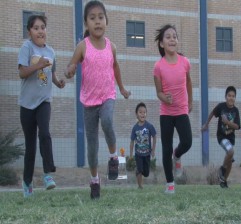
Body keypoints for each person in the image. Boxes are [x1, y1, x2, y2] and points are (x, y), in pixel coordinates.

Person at [65, 0, 130, 199]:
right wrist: (70, 71)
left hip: (108, 95)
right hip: (88, 101)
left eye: (101, 17)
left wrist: (122, 88)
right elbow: (71, 65)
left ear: (106, 21)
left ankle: (113, 157)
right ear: (86, 23)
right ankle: (94, 180)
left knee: (108, 121)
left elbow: (116, 68)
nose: (97, 22)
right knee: (91, 147)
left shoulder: (112, 47)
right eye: (92, 18)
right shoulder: (82, 46)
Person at [18, 15, 65, 197]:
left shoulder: (51, 52)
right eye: (36, 28)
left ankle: (47, 175)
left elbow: (51, 74)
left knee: (45, 134)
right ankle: (27, 182)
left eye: (43, 27)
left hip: (44, 102)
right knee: (30, 146)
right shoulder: (26, 47)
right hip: (27, 105)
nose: (40, 31)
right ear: (29, 31)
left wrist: (58, 83)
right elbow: (22, 72)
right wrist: (39, 65)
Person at [153, 24, 193, 194]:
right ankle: (170, 184)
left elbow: (189, 82)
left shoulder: (185, 62)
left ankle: (177, 155)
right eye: (168, 37)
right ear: (162, 43)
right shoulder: (158, 66)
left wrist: (190, 101)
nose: (172, 39)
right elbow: (159, 92)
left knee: (187, 141)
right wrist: (165, 98)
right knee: (166, 148)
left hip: (182, 110)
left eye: (174, 36)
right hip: (166, 113)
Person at [201, 86, 241, 188]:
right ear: (225, 97)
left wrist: (227, 122)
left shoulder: (236, 111)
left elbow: (237, 126)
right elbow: (212, 113)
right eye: (229, 96)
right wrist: (206, 125)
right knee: (231, 152)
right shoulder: (221, 107)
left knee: (230, 161)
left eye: (233, 96)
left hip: (231, 138)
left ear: (235, 98)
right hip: (222, 137)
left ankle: (223, 180)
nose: (231, 98)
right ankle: (222, 169)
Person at [129, 102, 157, 189]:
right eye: (140, 112)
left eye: (144, 112)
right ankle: (140, 185)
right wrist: (130, 154)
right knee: (140, 170)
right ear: (136, 114)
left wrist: (153, 150)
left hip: (147, 154)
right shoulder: (135, 128)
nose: (143, 114)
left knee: (146, 173)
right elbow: (132, 141)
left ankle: (139, 172)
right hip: (138, 154)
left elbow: (155, 136)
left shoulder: (149, 126)